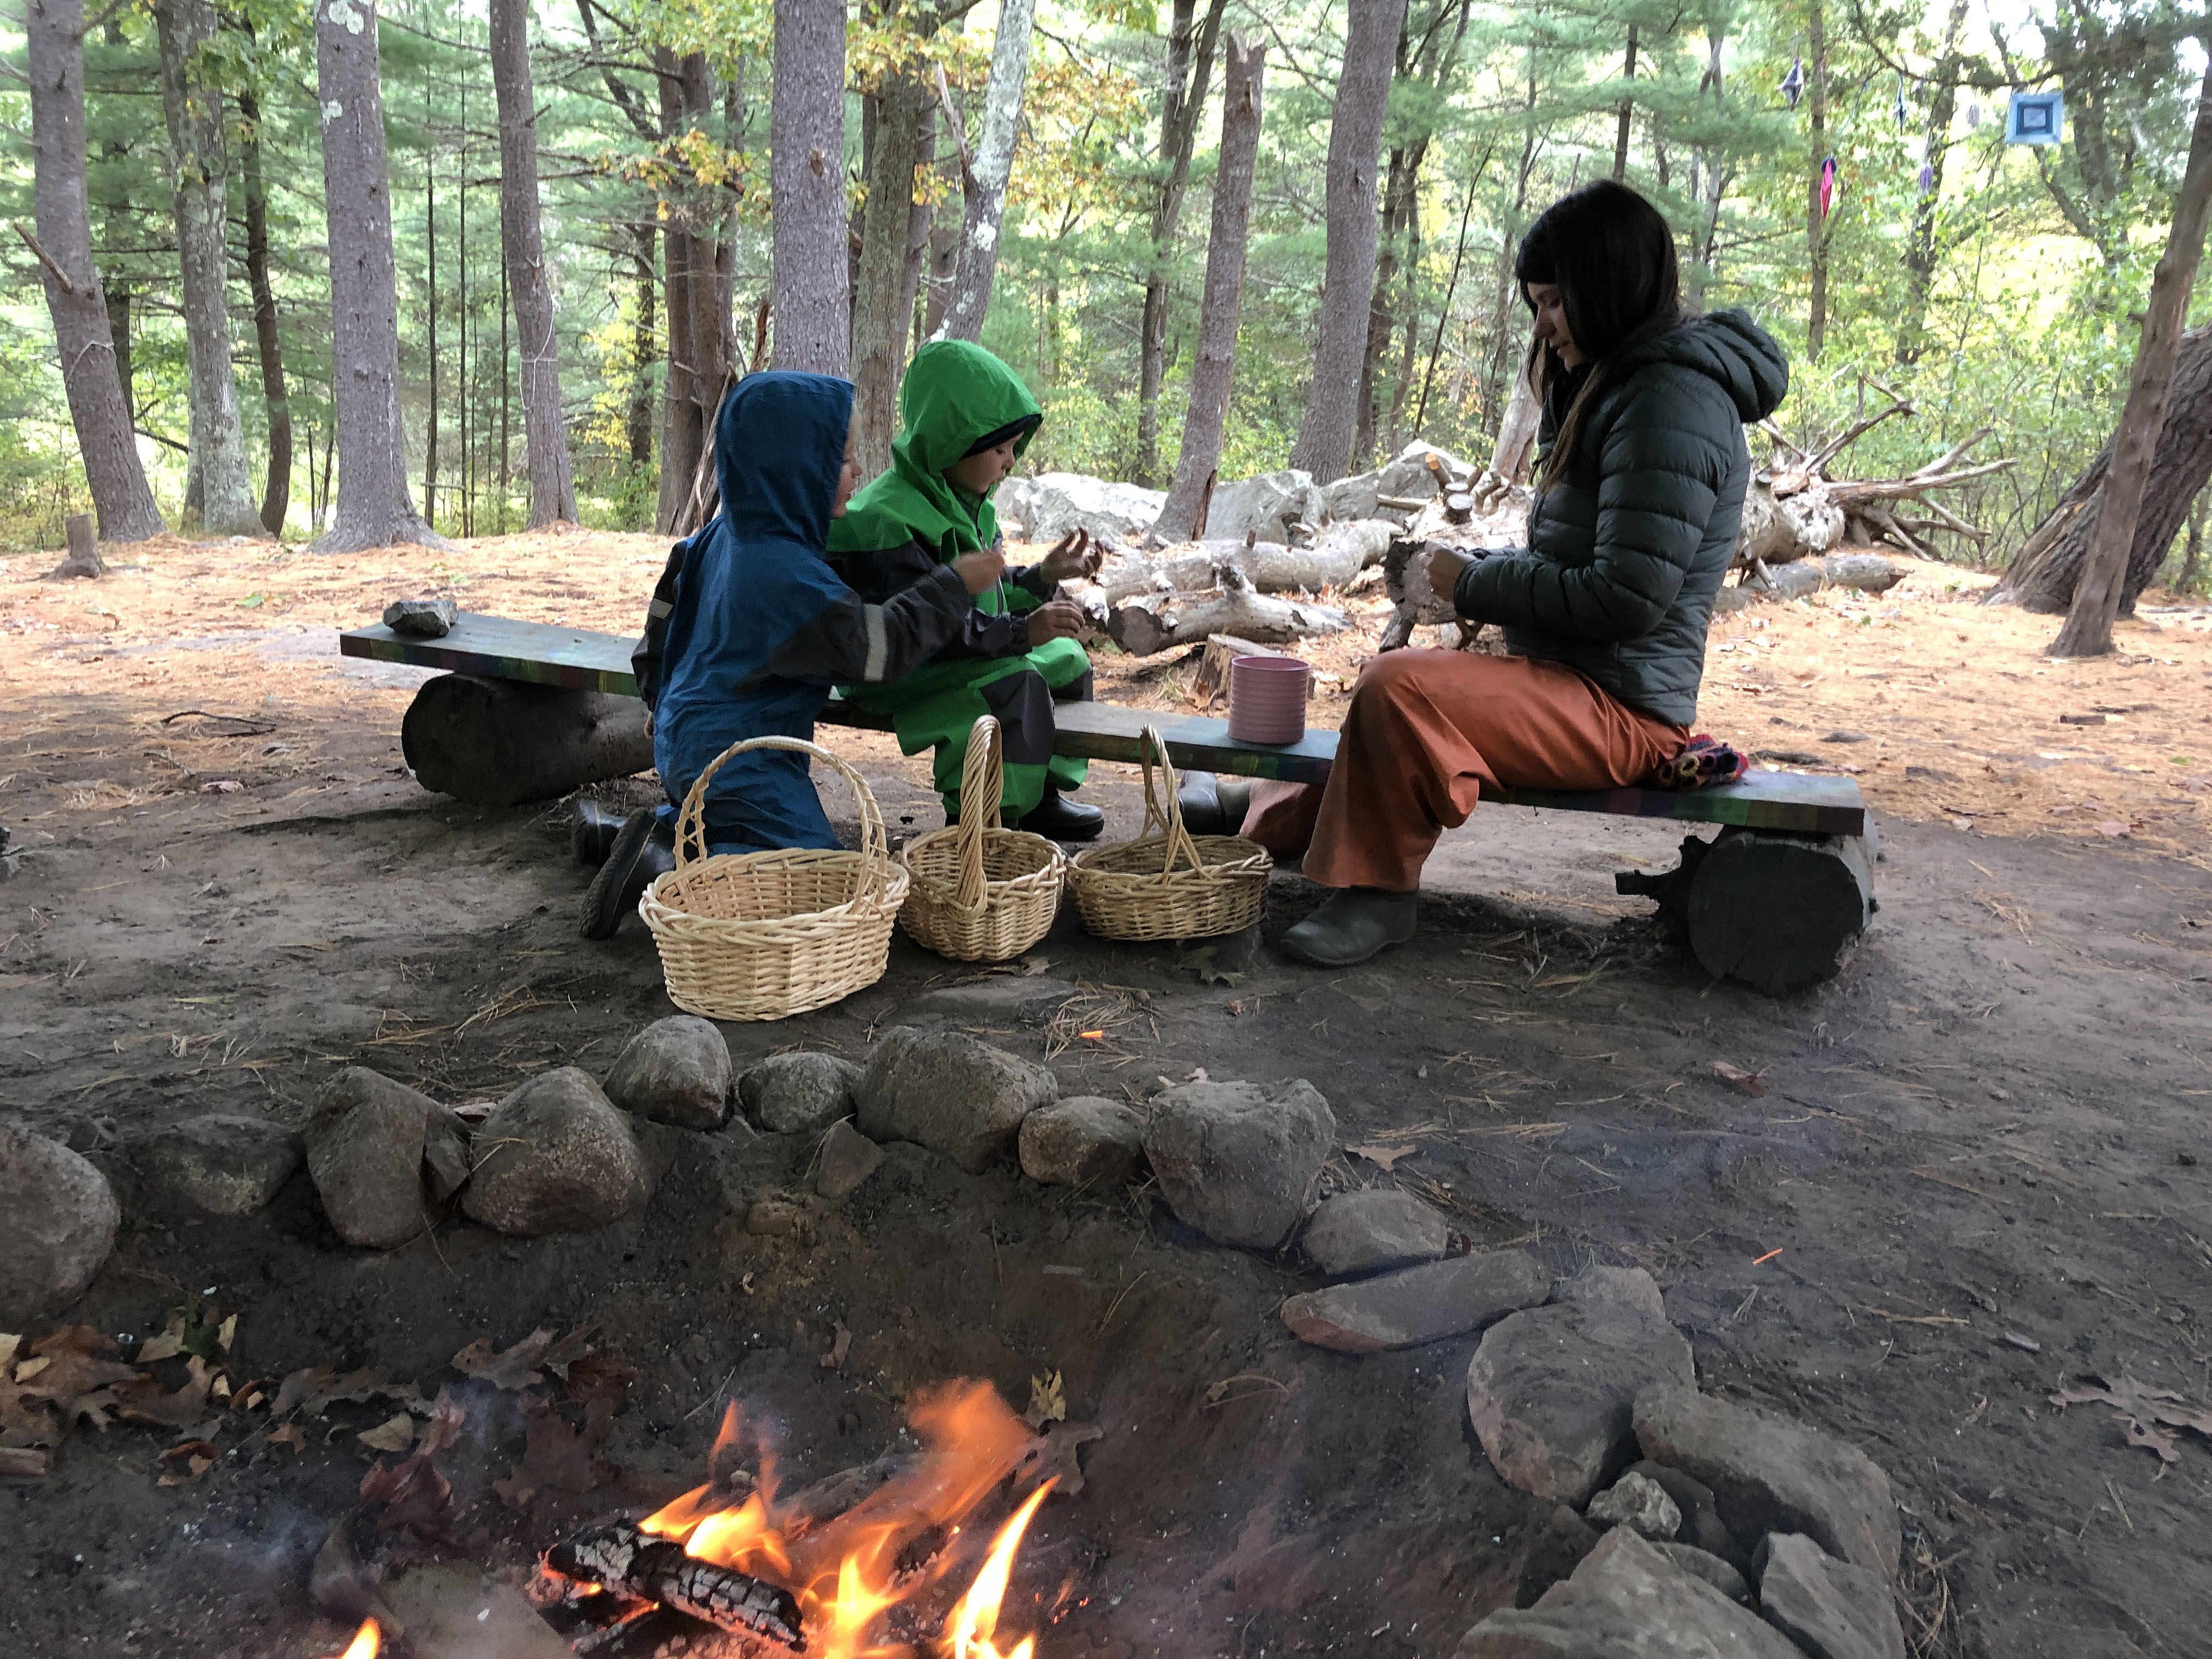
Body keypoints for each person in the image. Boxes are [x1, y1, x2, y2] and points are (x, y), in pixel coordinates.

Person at [1235, 179, 1788, 967]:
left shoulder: (1671, 401)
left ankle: (1377, 894)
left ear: (1610, 286)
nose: (1545, 326)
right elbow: (1580, 560)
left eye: (1557, 303)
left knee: (1402, 689)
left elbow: (1627, 598)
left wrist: (1475, 584)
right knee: (1393, 682)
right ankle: (1268, 812)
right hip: (1570, 679)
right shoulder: (1620, 383)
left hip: (1622, 710)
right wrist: (1484, 567)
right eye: (1536, 306)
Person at [578, 370, 1010, 939]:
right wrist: (954, 584)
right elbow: (876, 651)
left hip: (682, 734)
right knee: (817, 874)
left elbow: (664, 616)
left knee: (739, 823)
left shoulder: (722, 535)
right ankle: (664, 856)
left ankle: (620, 836)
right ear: (795, 469)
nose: (859, 472)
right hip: (742, 762)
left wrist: (657, 694)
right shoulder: (787, 577)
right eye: (845, 459)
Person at [826, 339, 1106, 840]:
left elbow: (984, 597)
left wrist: (1041, 577)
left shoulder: (969, 503)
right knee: (1015, 684)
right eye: (1000, 448)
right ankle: (982, 822)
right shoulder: (886, 518)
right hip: (895, 668)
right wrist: (1023, 634)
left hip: (953, 653)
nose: (1011, 462)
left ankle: (1040, 794)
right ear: (951, 442)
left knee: (1069, 662)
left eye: (1014, 448)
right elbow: (932, 628)